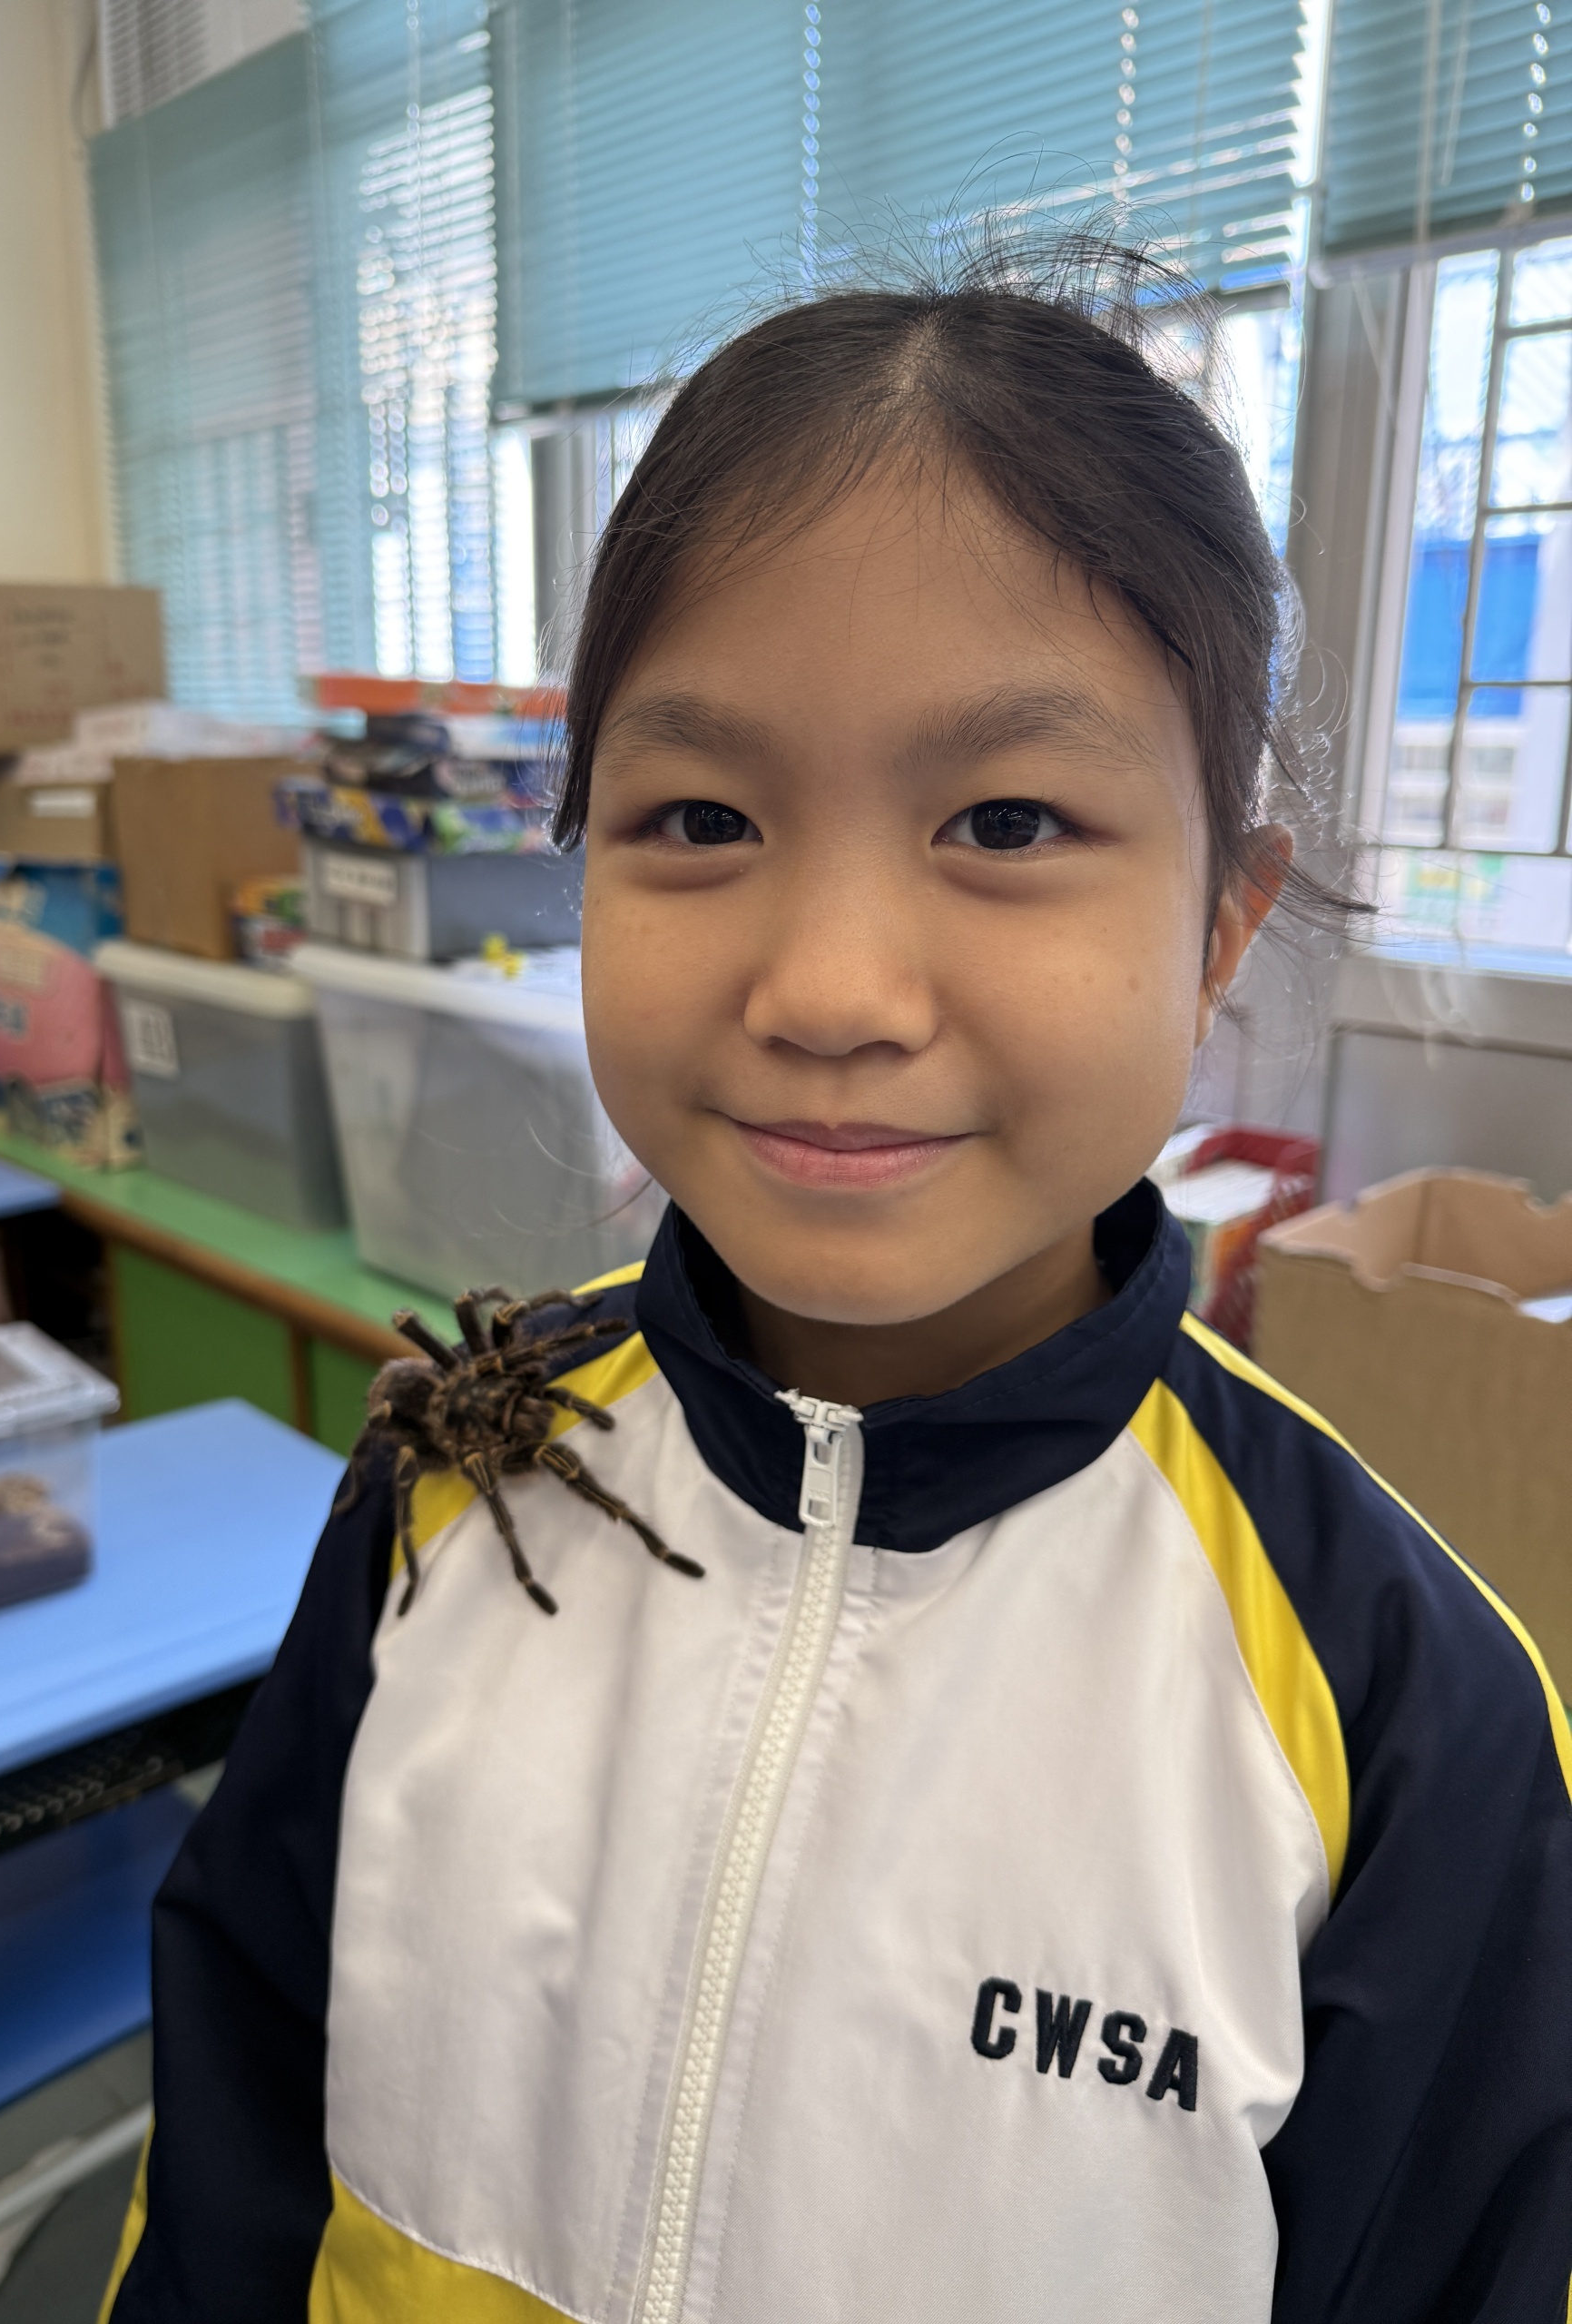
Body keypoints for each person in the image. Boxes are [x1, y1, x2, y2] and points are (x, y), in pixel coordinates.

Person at [103, 239, 1572, 2324]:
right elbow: (230, 2156)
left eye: (1008, 818)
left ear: (1224, 922)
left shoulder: (1406, 1714)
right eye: (701, 814)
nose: (832, 988)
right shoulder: (452, 1490)